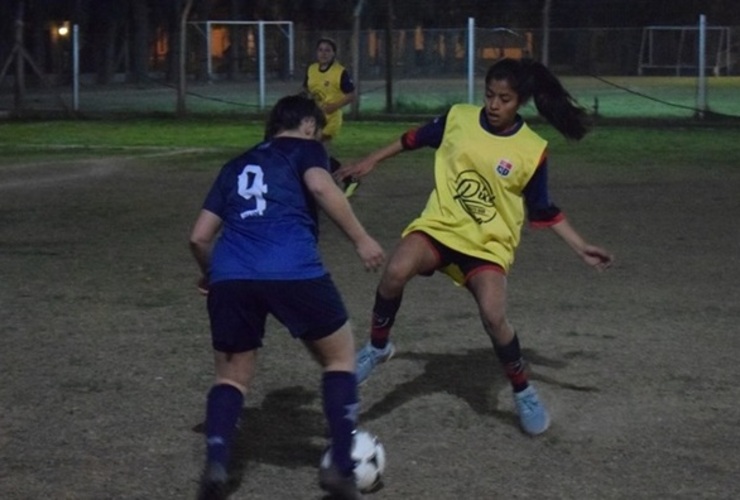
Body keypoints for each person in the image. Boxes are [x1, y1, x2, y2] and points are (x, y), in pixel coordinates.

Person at [334, 58, 614, 437]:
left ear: (521, 102)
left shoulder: (531, 150)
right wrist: (370, 161)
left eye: (505, 99)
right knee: (396, 270)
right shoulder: (458, 118)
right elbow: (412, 138)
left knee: (494, 316)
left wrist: (581, 247)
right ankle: (378, 346)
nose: (494, 105)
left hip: (487, 246)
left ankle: (523, 390)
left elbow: (544, 209)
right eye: (489, 96)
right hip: (440, 228)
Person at [189, 94, 385, 500]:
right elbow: (319, 185)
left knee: (231, 378)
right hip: (292, 269)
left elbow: (199, 236)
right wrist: (361, 239)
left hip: (231, 275)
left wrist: (214, 274)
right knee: (339, 358)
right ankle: (343, 471)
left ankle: (218, 463)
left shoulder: (236, 164)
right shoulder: (307, 148)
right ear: (309, 126)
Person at [303, 37, 361, 198]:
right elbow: (307, 90)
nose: (323, 53)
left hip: (331, 120)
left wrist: (335, 106)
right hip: (314, 119)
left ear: (334, 53)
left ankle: (334, 183)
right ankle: (347, 178)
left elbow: (351, 95)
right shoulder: (311, 69)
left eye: (328, 50)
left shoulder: (339, 72)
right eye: (321, 50)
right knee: (318, 154)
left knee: (314, 149)